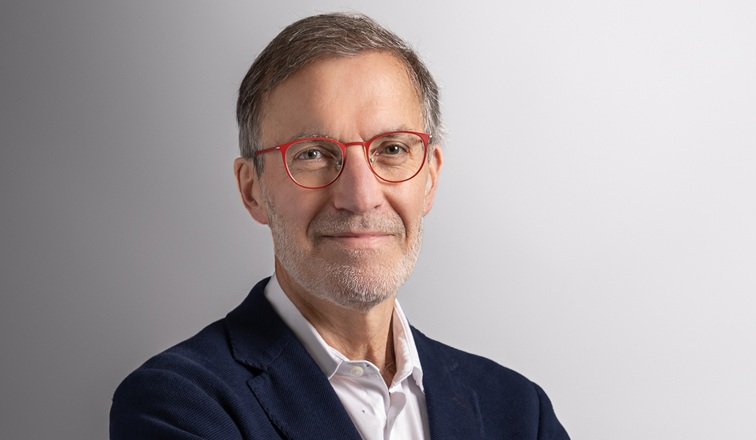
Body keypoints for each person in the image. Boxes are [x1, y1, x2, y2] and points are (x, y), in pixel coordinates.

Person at [110, 12, 569, 440]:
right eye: (312, 154)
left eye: (392, 149)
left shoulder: (518, 411)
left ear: (430, 178)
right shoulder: (178, 405)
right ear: (253, 190)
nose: (360, 196)